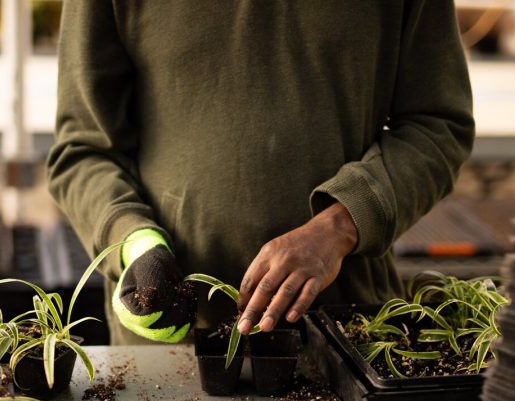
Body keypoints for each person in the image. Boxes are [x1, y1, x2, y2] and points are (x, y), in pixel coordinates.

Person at [47, 1, 475, 345]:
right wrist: (136, 242)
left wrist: (340, 225)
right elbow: (84, 149)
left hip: (348, 335)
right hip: (173, 349)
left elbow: (437, 127)